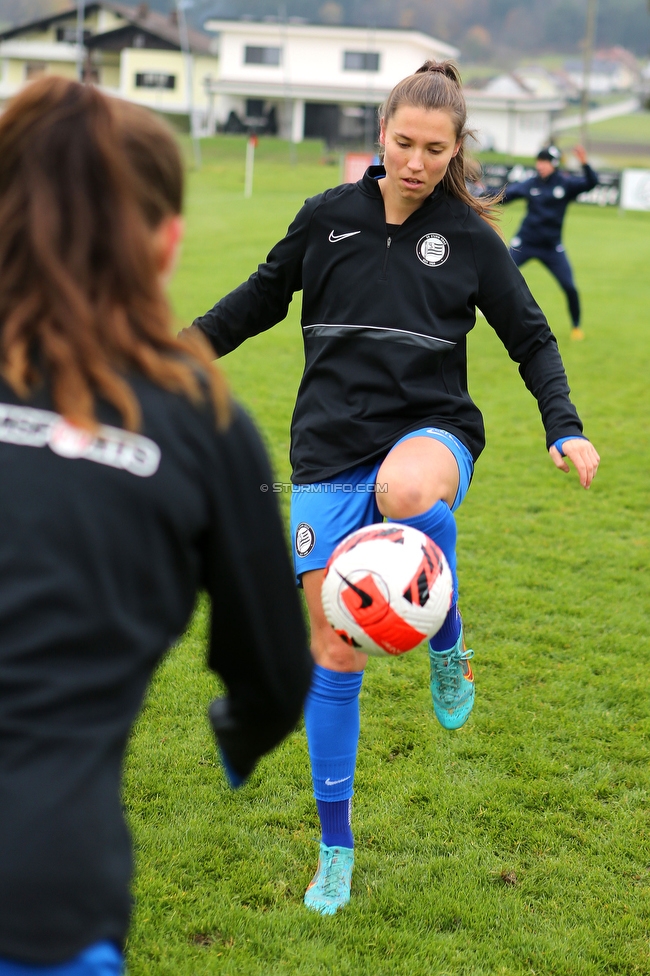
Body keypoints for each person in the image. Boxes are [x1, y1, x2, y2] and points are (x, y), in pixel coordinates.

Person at [191, 61, 600, 916]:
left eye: (435, 149)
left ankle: (445, 638)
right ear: (381, 135)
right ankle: (334, 849)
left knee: (409, 490)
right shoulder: (327, 220)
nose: (416, 161)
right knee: (335, 652)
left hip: (430, 433)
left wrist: (564, 424)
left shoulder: (471, 236)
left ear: (456, 151)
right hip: (326, 454)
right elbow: (257, 300)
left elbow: (530, 337)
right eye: (404, 143)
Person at [0, 77, 312, 974]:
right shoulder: (199, 422)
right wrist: (238, 737)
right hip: (42, 897)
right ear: (167, 243)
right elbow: (276, 675)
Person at [503, 145, 598, 340]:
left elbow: (591, 183)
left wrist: (584, 163)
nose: (541, 165)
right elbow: (505, 195)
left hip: (552, 248)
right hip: (525, 243)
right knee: (497, 272)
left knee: (570, 287)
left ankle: (576, 326)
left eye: (545, 161)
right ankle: (479, 310)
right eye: (539, 161)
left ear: (554, 164)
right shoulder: (531, 183)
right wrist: (479, 194)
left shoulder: (565, 184)